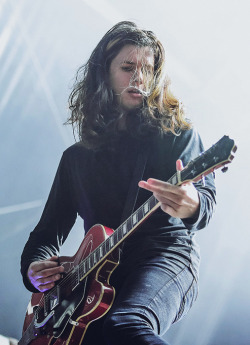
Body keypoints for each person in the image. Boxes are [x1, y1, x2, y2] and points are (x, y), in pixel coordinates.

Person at [21, 21, 216, 345]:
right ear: (104, 73)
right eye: (128, 67)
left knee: (127, 325)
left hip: (163, 254)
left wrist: (193, 204)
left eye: (147, 70)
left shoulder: (177, 134)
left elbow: (205, 202)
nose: (138, 78)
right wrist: (35, 268)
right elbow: (45, 234)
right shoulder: (76, 158)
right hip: (96, 273)